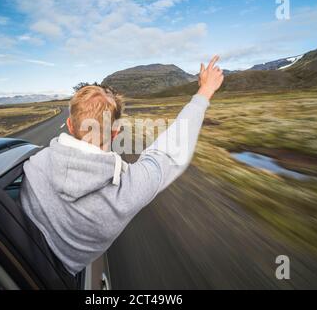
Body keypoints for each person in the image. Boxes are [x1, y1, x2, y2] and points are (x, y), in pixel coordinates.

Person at [20, 56, 224, 276]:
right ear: (116, 131)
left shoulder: (31, 163)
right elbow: (168, 152)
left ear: (69, 125)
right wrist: (205, 91)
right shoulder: (127, 190)